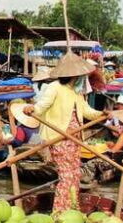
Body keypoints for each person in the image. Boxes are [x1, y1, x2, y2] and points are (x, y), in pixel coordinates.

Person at [23, 52, 103, 212]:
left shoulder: (76, 92)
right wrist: (32, 109)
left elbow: (87, 111)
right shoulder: (55, 87)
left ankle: (72, 208)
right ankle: (59, 212)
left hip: (75, 139)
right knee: (66, 175)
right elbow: (42, 106)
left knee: (75, 175)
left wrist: (102, 114)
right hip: (59, 138)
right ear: (73, 74)